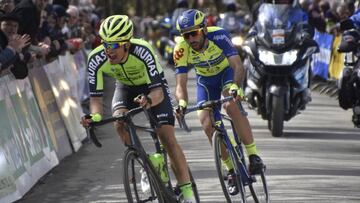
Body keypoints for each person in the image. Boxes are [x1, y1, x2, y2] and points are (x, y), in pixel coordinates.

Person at [80, 15, 196, 203]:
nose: (108, 51)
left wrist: (149, 100)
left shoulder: (143, 50)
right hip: (125, 87)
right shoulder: (96, 58)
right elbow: (95, 99)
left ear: (126, 43)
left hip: (152, 88)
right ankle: (144, 161)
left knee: (166, 136)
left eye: (114, 46)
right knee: (119, 121)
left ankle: (189, 194)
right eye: (105, 44)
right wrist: (93, 117)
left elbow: (158, 91)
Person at [173, 9, 264, 196]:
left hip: (226, 75)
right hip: (206, 82)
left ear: (204, 29)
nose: (191, 39)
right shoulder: (181, 48)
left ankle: (253, 155)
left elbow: (238, 66)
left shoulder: (219, 35)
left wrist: (235, 88)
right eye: (186, 35)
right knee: (205, 121)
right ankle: (230, 169)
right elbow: (180, 83)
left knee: (230, 105)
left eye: (194, 33)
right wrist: (181, 103)